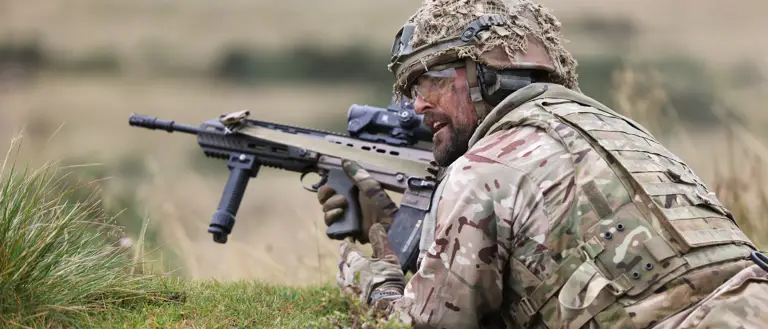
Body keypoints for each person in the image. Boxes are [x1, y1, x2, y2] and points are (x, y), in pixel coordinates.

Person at [317, 0, 768, 328]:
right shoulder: (627, 134)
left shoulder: (483, 169)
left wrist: (374, 283)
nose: (417, 106)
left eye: (429, 82)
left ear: (481, 76)